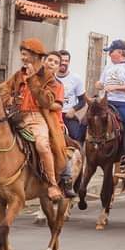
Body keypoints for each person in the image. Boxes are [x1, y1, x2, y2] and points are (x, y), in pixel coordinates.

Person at [6, 38, 70, 200]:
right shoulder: (19, 74)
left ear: (36, 56)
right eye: (22, 54)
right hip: (17, 115)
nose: (23, 58)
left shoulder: (50, 79)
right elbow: (5, 89)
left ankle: (54, 183)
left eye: (25, 54)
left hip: (39, 117)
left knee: (43, 145)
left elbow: (49, 103)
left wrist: (33, 78)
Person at [95, 39, 125, 169]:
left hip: (122, 102)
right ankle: (86, 148)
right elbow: (100, 83)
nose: (109, 54)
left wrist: (115, 88)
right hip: (106, 101)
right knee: (87, 120)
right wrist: (99, 84)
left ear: (120, 52)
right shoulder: (108, 67)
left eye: (111, 52)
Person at [42, 51, 77, 198]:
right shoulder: (34, 79)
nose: (52, 64)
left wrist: (44, 104)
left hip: (54, 120)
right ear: (44, 61)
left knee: (61, 145)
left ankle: (66, 178)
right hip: (34, 117)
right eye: (50, 60)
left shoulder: (59, 85)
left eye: (56, 62)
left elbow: (58, 106)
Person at [57, 50, 87, 143]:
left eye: (66, 61)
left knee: (75, 136)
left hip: (67, 114)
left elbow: (83, 101)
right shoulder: (50, 76)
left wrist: (73, 110)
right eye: (62, 60)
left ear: (69, 62)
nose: (64, 63)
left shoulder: (76, 78)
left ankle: (79, 154)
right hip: (53, 113)